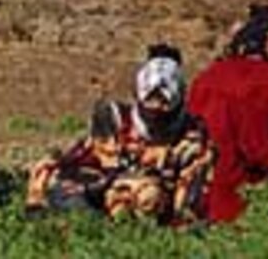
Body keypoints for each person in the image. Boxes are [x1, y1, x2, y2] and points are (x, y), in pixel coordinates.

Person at [25, 44, 214, 226]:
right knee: (48, 177)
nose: (156, 109)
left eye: (163, 105)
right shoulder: (115, 119)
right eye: (151, 103)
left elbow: (189, 201)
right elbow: (84, 156)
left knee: (148, 195)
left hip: (151, 202)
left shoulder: (192, 137)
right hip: (101, 190)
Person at [188, 4, 268, 223]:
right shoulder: (266, 80)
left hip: (195, 190)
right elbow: (258, 148)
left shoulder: (208, 74)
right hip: (232, 197)